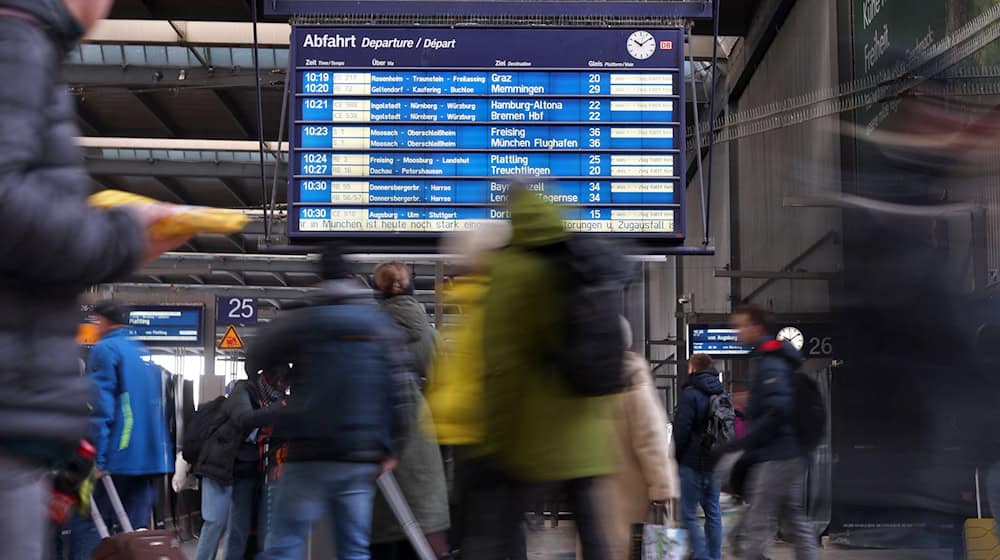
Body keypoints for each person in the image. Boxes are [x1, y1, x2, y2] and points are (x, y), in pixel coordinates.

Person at [0, 1, 185, 556]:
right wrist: (120, 236)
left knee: (90, 539)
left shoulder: (27, 44)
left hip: (79, 444)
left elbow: (104, 409)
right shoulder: (17, 41)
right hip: (109, 450)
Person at [247, 244, 418, 560]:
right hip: (359, 455)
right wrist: (393, 447)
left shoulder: (303, 317)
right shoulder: (380, 325)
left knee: (284, 547)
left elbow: (255, 354)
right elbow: (401, 393)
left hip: (308, 452)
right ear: (352, 278)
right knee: (353, 550)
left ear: (319, 279)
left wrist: (281, 373)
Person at [479, 188, 617, 560]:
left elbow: (503, 362)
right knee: (593, 535)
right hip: (586, 433)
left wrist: (495, 435)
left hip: (533, 431)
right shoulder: (580, 256)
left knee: (499, 533)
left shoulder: (513, 269)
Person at [423, 224, 518, 557]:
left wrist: (435, 420)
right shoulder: (494, 305)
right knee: (496, 533)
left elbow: (462, 379)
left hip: (477, 439)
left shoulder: (478, 307)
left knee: (481, 534)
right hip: (492, 438)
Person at [71, 301, 174, 558]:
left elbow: (101, 408)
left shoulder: (106, 349)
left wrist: (97, 456)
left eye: (95, 322)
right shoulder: (139, 352)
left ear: (104, 322)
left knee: (89, 522)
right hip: (147, 460)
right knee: (135, 531)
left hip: (118, 457)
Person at [372, 262, 451, 559]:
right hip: (423, 449)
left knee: (380, 539)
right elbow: (443, 395)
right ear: (412, 288)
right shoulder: (430, 337)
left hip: (379, 454)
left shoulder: (368, 334)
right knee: (423, 541)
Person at [728, 304, 816, 560]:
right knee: (792, 516)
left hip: (777, 452)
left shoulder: (770, 361)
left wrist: (748, 441)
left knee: (757, 518)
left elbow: (778, 409)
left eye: (741, 326)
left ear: (756, 327)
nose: (737, 332)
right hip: (787, 451)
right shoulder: (766, 358)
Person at [600, 318, 680, 560]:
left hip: (597, 498)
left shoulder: (587, 383)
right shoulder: (634, 382)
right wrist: (662, 489)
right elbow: (652, 441)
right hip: (632, 499)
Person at [191, 373, 279, 560]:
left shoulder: (275, 399)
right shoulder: (243, 390)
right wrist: (279, 410)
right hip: (220, 466)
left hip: (247, 470)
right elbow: (243, 418)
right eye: (278, 378)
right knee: (215, 523)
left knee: (239, 528)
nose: (281, 383)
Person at [673, 354, 726, 560]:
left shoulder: (690, 394)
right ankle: (714, 556)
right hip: (714, 462)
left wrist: (676, 457)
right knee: (713, 511)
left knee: (688, 514)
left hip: (692, 462)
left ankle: (702, 557)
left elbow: (682, 430)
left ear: (693, 367)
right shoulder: (722, 393)